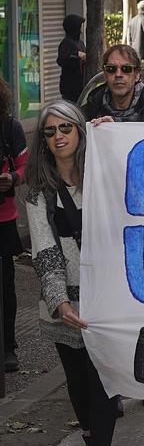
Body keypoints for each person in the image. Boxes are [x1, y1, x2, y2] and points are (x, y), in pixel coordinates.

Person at [27, 101, 120, 445]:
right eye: (50, 131)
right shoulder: (39, 191)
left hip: (107, 302)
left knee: (104, 382)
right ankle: (89, 433)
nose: (58, 136)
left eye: (66, 128)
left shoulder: (103, 174)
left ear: (80, 130)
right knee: (80, 386)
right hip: (67, 308)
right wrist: (60, 303)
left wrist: (113, 135)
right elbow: (44, 250)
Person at [82, 45, 144, 122]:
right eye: (111, 69)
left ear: (137, 75)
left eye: (126, 69)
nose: (118, 74)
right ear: (105, 74)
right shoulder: (87, 114)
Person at [0, 77, 24, 373]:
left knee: (5, 285)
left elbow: (24, 165)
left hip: (4, 220)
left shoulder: (10, 127)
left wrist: (13, 179)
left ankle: (8, 347)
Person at [57, 14, 87, 103]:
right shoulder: (66, 43)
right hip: (70, 86)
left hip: (81, 84)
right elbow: (62, 60)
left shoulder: (80, 43)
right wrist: (76, 55)